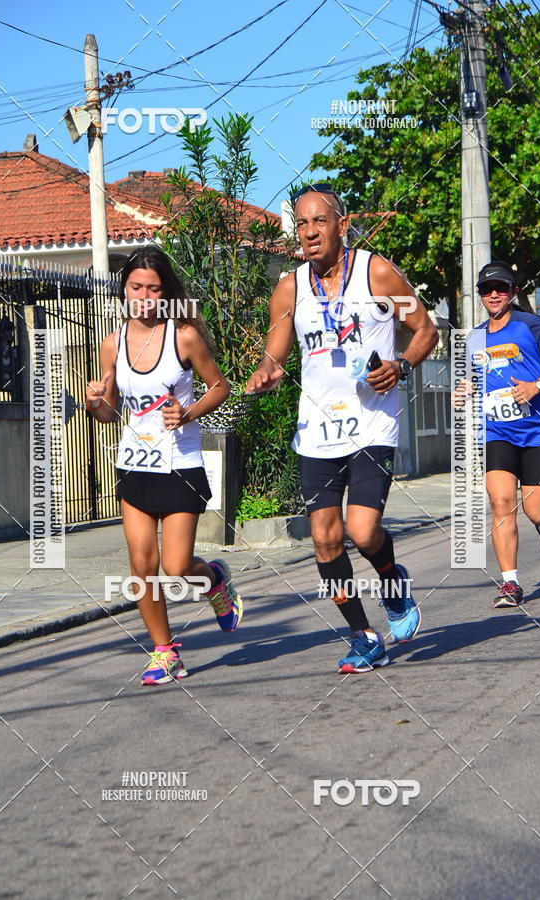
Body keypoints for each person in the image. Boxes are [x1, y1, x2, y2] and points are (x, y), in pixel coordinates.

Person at [245, 184, 438, 673]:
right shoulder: (290, 288)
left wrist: (400, 366)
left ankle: (393, 583)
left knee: (363, 530)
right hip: (317, 429)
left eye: (319, 221)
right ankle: (362, 633)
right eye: (302, 223)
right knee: (325, 540)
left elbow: (426, 330)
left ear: (341, 225)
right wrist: (266, 373)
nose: (309, 232)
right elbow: (275, 353)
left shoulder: (375, 271)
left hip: (373, 423)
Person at [85, 246, 243, 685]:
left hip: (180, 465)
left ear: (165, 293)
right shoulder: (112, 343)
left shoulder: (184, 336)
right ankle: (165, 651)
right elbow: (108, 412)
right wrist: (94, 402)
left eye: (154, 289)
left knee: (175, 568)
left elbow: (219, 387)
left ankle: (213, 580)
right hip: (134, 465)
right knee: (142, 564)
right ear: (124, 289)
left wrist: (189, 413)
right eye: (136, 287)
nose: (145, 296)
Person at [469, 260, 540, 606]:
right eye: (486, 289)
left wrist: (537, 385)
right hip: (497, 432)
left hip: (538, 432)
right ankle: (509, 583)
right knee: (502, 503)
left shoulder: (531, 325)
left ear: (513, 291)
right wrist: (463, 389)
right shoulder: (475, 337)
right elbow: (472, 381)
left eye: (501, 288)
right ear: (480, 295)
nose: (494, 294)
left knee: (537, 511)